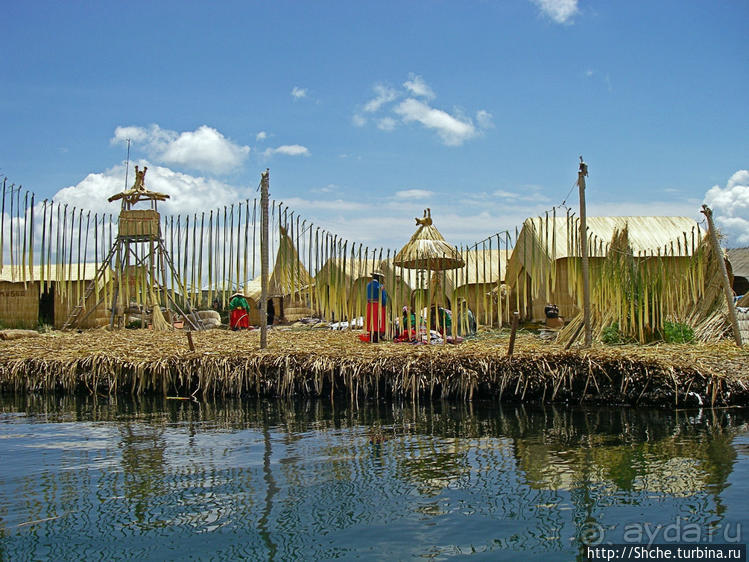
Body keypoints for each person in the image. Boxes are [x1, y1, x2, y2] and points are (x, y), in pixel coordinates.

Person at [365, 271, 388, 342]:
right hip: (378, 306)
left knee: (372, 321)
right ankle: (376, 338)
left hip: (369, 305)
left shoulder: (368, 285)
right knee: (378, 321)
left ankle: (371, 337)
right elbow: (383, 298)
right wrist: (384, 304)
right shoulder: (380, 286)